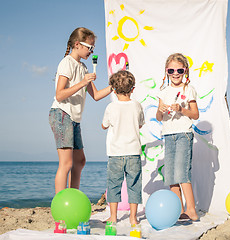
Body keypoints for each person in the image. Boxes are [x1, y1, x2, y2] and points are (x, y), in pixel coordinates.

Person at [49, 27, 112, 194]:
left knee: (80, 161)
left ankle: (73, 200)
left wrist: (115, 86)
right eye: (89, 47)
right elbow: (60, 94)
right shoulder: (66, 63)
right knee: (67, 163)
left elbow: (97, 95)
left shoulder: (83, 68)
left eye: (93, 49)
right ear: (77, 44)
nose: (91, 51)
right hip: (62, 114)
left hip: (73, 119)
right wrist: (82, 83)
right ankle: (61, 208)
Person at [156, 53, 199, 221]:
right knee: (171, 176)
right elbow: (159, 117)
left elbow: (195, 114)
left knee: (182, 174)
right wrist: (161, 111)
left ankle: (192, 210)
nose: (175, 73)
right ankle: (180, 210)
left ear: (185, 71)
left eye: (179, 70)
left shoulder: (189, 90)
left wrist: (181, 110)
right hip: (168, 135)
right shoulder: (163, 92)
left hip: (183, 135)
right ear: (166, 71)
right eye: (171, 70)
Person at [102, 70, 145, 225]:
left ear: (113, 90)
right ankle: (133, 218)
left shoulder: (111, 107)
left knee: (114, 185)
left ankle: (113, 217)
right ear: (132, 89)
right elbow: (140, 124)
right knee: (134, 185)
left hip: (115, 153)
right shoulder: (137, 106)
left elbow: (104, 125)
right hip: (133, 152)